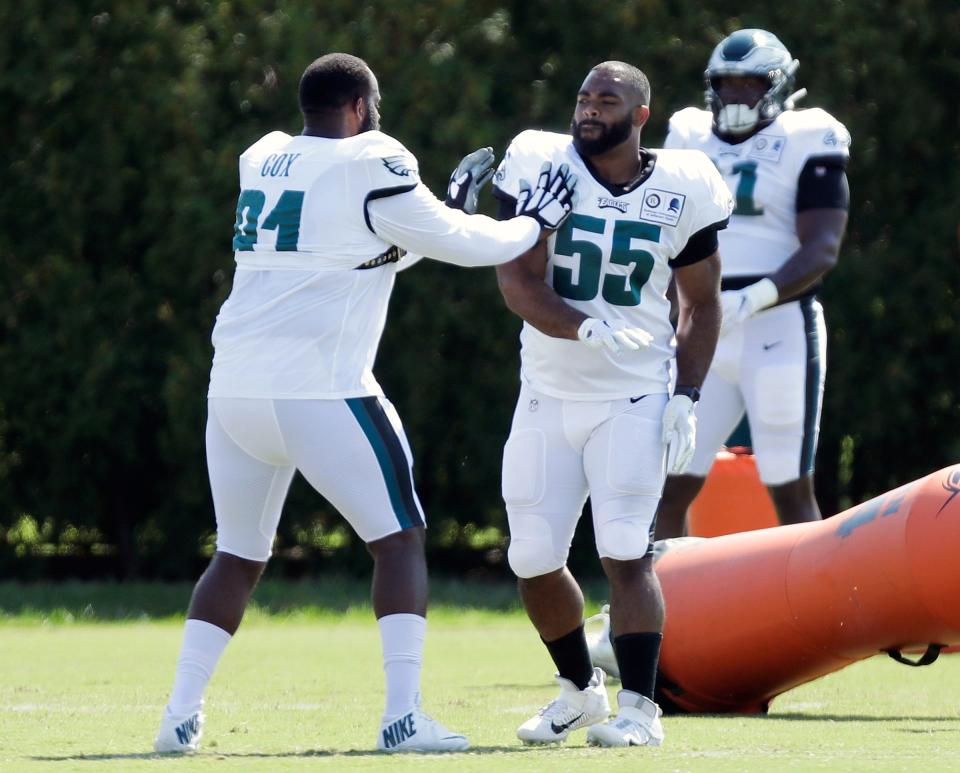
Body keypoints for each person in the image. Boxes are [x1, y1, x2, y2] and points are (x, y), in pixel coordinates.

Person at [153, 52, 577, 755]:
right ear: (358, 107)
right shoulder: (374, 159)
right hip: (323, 390)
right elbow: (468, 249)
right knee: (400, 539)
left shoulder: (263, 157)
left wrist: (446, 209)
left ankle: (177, 714)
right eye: (373, 108)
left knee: (235, 554)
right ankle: (403, 715)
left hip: (233, 390)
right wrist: (533, 224)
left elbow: (367, 247)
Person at [492, 61, 733, 748]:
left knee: (625, 547)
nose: (591, 108)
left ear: (641, 115)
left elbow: (702, 302)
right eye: (584, 96)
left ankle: (641, 708)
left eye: (608, 99)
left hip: (632, 391)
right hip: (546, 387)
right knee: (532, 555)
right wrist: (581, 324)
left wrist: (686, 393)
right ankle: (578, 691)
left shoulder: (684, 186)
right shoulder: (542, 161)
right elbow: (515, 278)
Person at [655, 29, 851, 539]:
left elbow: (822, 247)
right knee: (668, 482)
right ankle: (659, 613)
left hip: (777, 326)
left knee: (789, 486)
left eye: (749, 84)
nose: (736, 95)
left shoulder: (809, 134)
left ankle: (817, 615)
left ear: (780, 85)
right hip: (702, 329)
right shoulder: (688, 134)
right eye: (727, 84)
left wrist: (753, 297)